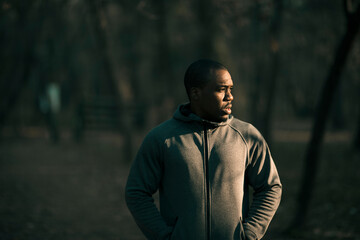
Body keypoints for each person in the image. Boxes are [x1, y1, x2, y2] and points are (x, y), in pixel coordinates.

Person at [125, 59, 282, 240]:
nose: (229, 96)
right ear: (195, 93)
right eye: (221, 89)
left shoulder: (247, 136)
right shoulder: (161, 139)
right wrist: (164, 235)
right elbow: (136, 192)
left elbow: (271, 187)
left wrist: (250, 233)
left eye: (231, 89)